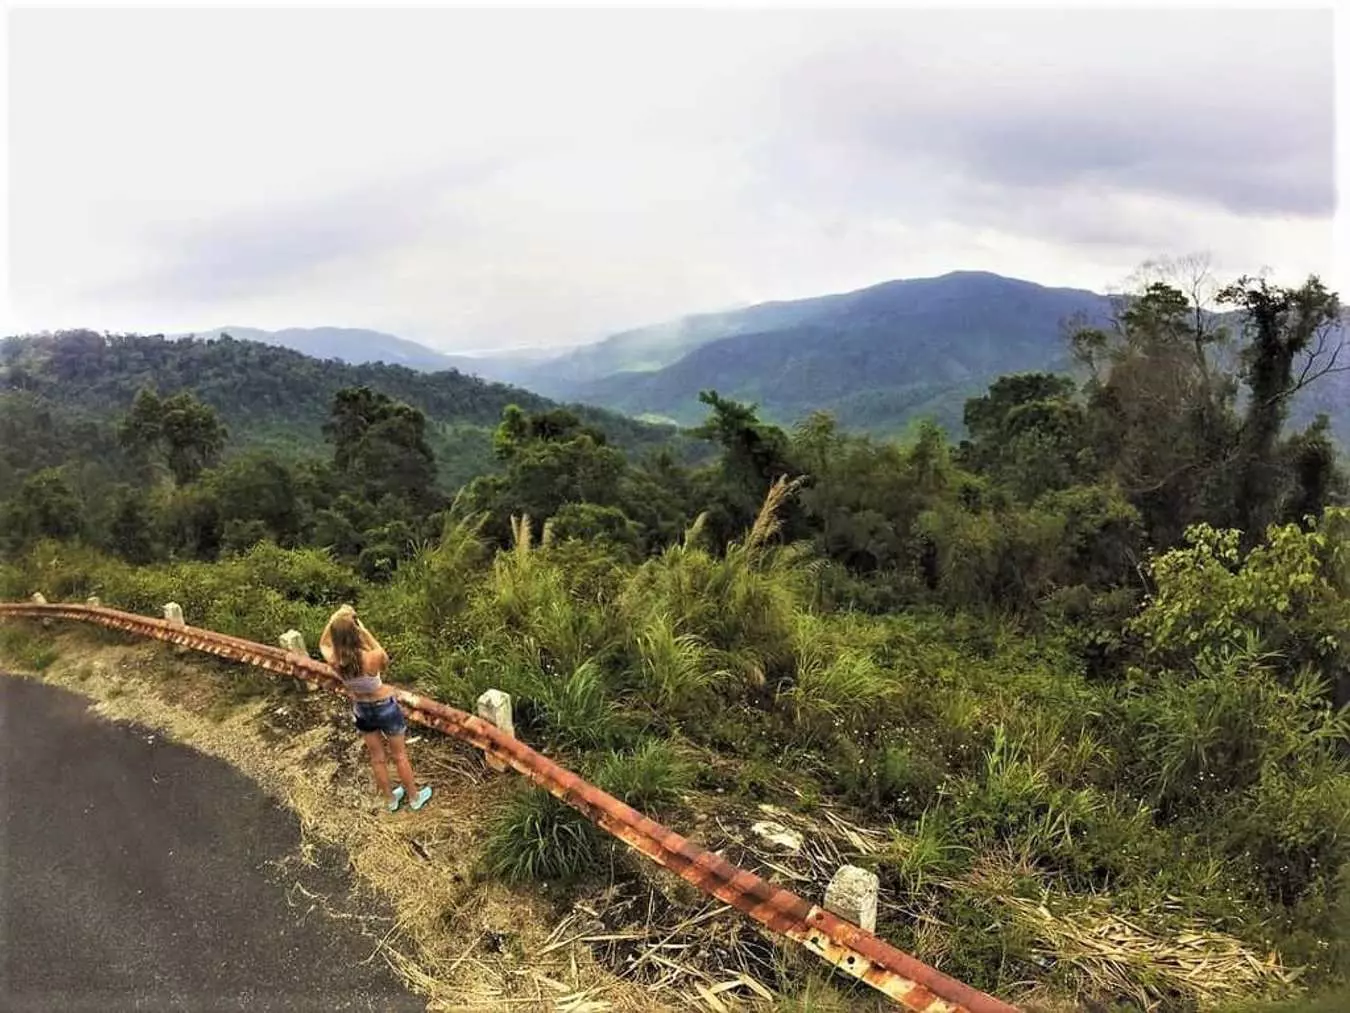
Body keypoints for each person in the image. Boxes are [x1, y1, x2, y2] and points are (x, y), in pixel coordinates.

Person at [319, 605, 432, 812]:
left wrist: (335, 618)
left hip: (361, 709)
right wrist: (362, 629)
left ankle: (390, 800)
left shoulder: (334, 659)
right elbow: (383, 655)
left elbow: (323, 642)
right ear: (355, 634)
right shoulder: (371, 658)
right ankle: (414, 798)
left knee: (377, 758)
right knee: (399, 756)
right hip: (385, 707)